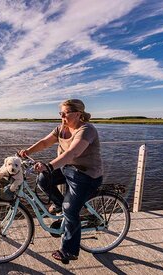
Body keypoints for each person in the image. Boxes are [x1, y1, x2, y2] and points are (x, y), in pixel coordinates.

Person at [19, 99, 103, 263]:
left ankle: (69, 251)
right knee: (43, 179)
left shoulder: (87, 130)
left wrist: (49, 166)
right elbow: (45, 142)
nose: (62, 116)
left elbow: (72, 153)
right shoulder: (61, 128)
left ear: (78, 114)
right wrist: (27, 151)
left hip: (87, 175)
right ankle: (59, 205)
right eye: (61, 113)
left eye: (65, 113)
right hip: (67, 169)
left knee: (70, 210)